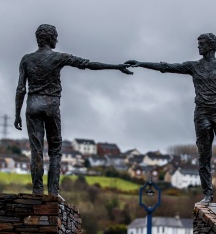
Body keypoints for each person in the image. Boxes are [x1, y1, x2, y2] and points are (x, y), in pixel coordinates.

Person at [14, 24, 132, 196]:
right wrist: (116, 66)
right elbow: (88, 64)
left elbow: (20, 89)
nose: (57, 40)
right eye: (55, 36)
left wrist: (17, 113)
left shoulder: (26, 59)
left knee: (36, 149)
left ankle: (37, 190)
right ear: (49, 38)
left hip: (32, 105)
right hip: (51, 105)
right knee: (55, 150)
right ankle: (53, 192)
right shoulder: (58, 57)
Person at [126, 33, 216, 204]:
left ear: (211, 46)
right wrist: (141, 64)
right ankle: (208, 194)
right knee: (204, 156)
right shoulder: (194, 66)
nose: (198, 46)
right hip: (202, 115)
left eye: (201, 43)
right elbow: (167, 67)